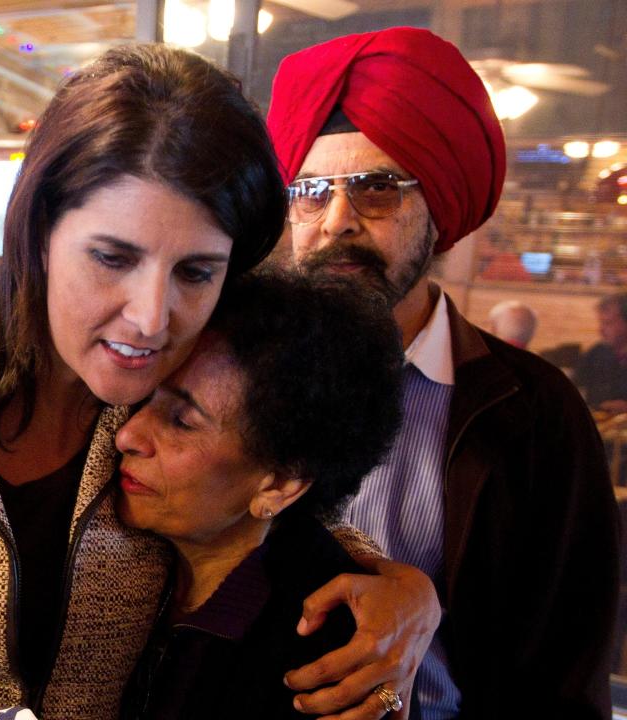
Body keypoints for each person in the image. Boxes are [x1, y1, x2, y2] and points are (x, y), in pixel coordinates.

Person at [0, 44, 438, 720]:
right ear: (38, 232)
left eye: (195, 271)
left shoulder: (181, 387)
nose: (152, 318)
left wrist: (405, 589)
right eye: (112, 257)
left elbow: (261, 509)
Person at [268, 27, 619, 719]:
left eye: (375, 188)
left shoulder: (533, 412)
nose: (337, 220)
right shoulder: (231, 381)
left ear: (441, 211)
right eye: (312, 190)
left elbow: (567, 673)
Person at [118, 269, 406, 719]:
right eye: (143, 399)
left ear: (278, 485)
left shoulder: (327, 659)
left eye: (181, 421)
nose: (128, 434)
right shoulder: (128, 560)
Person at [574, 291, 627, 411]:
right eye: (601, 322)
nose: (601, 330)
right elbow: (571, 387)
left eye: (607, 323)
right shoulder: (596, 353)